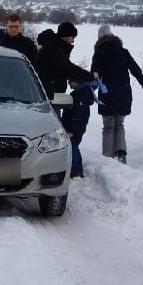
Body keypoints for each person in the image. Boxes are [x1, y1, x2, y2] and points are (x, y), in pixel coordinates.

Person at [37, 22, 96, 176]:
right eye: (72, 37)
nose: (73, 41)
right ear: (65, 36)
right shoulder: (53, 48)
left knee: (61, 126)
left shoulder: (56, 47)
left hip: (54, 94)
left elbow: (63, 69)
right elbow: (66, 67)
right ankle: (51, 166)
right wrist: (89, 76)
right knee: (54, 130)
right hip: (48, 95)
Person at [90, 24, 143, 164]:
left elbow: (94, 77)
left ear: (99, 38)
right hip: (123, 95)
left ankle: (107, 159)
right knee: (119, 124)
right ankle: (121, 154)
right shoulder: (123, 52)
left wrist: (88, 94)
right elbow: (137, 72)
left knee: (108, 127)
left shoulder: (99, 54)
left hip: (107, 96)